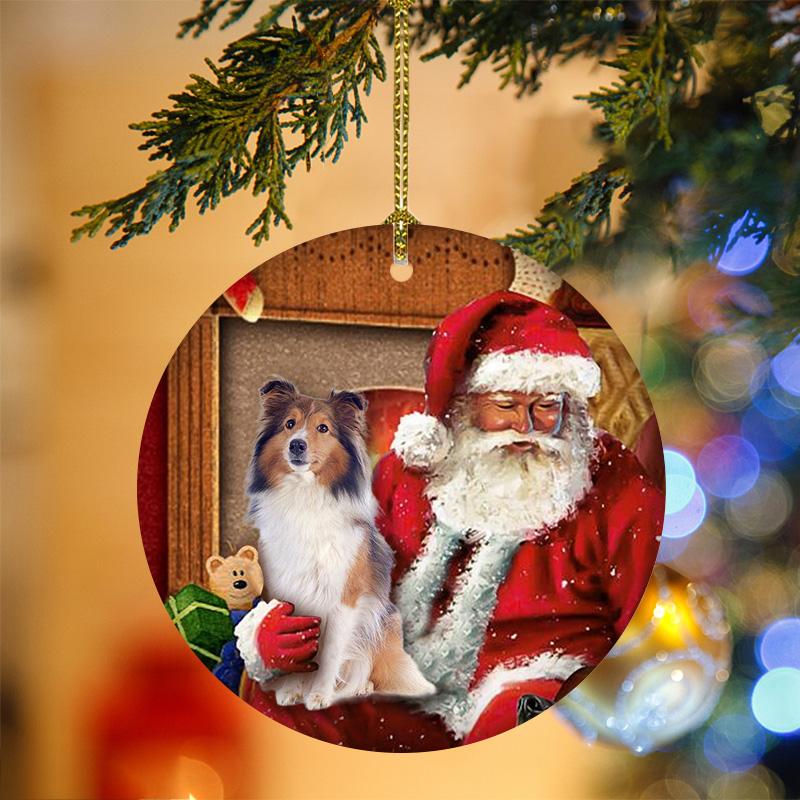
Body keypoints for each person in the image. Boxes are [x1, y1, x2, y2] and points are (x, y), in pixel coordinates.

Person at [236, 290, 664, 750]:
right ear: (466, 403)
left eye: (547, 406)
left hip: (541, 676)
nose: (529, 426)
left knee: (518, 718)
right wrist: (280, 635)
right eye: (505, 405)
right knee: (289, 699)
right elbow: (349, 581)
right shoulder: (408, 473)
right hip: (417, 682)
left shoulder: (610, 481)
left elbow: (648, 621)